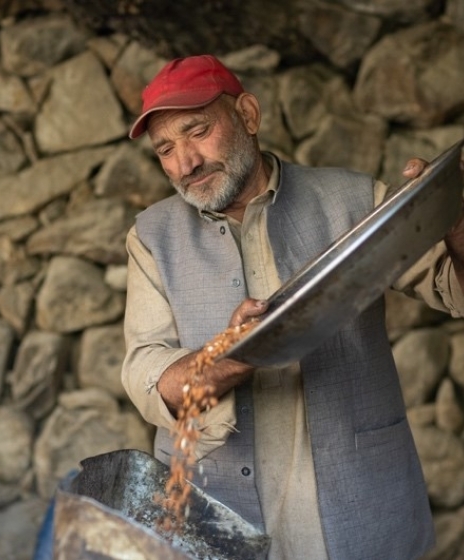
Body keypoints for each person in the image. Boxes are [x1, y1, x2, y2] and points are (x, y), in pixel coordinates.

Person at [121, 54, 464, 560]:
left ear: (249, 116)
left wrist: (453, 214)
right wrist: (232, 355)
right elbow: (145, 373)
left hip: (361, 509)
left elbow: (454, 291)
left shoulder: (352, 200)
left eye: (198, 131)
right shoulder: (152, 237)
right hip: (215, 519)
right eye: (165, 149)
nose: (184, 163)